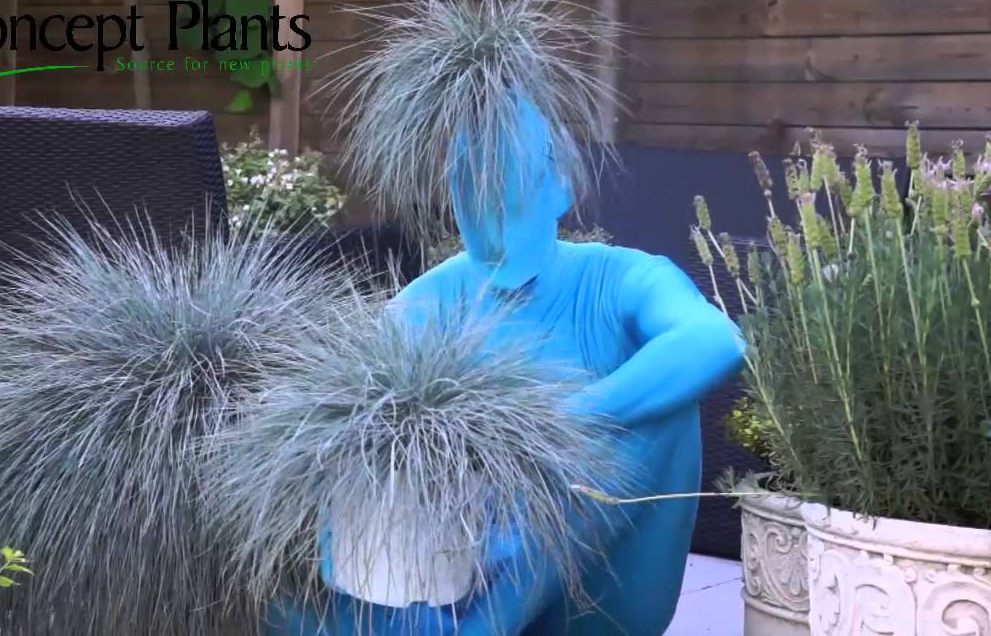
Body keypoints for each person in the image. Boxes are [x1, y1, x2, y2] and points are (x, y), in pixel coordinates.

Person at [268, 95, 745, 635]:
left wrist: (557, 426)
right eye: (467, 184)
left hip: (600, 602)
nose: (489, 206)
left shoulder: (617, 279)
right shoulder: (432, 299)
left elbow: (716, 341)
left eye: (511, 178)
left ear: (560, 186)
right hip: (461, 570)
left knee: (660, 406)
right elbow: (340, 414)